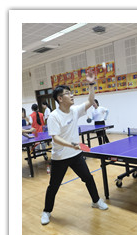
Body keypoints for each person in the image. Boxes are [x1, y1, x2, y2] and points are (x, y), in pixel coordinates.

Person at [40, 68, 108, 226]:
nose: (72, 95)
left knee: (88, 178)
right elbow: (55, 138)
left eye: (71, 93)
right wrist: (73, 144)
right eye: (68, 93)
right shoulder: (54, 116)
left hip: (75, 155)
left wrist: (91, 84)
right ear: (60, 98)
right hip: (60, 157)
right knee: (53, 186)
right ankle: (46, 211)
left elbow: (90, 101)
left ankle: (96, 201)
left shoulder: (75, 110)